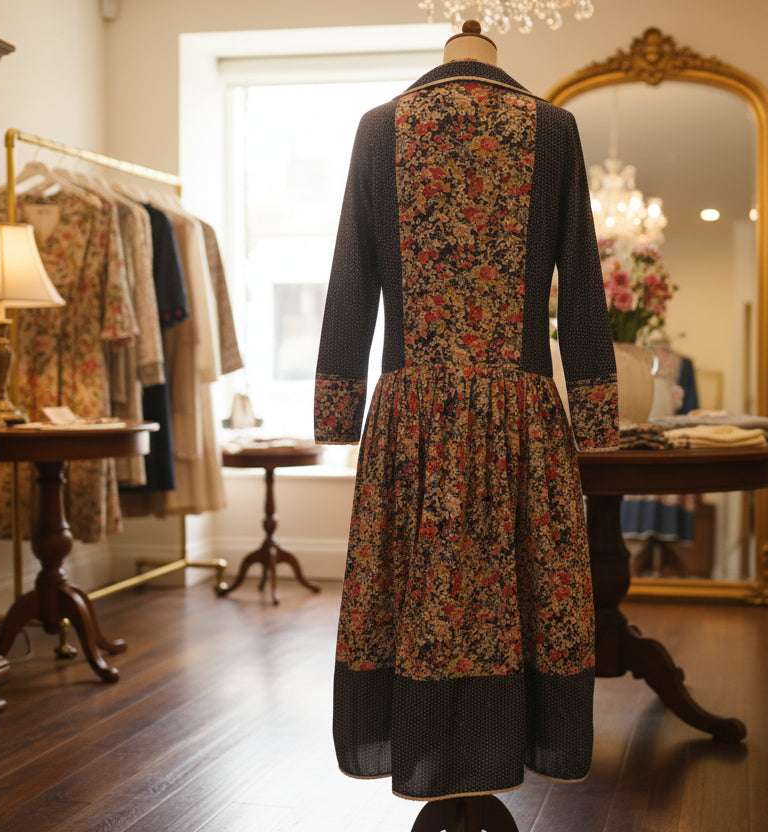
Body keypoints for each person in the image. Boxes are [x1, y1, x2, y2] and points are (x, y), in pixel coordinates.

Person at [314, 20, 619, 802]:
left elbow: (352, 272)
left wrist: (339, 407)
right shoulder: (551, 129)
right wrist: (593, 409)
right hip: (519, 414)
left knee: (416, 592)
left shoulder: (383, 129)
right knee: (523, 590)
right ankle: (496, 749)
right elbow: (582, 278)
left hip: (412, 416)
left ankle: (438, 753)